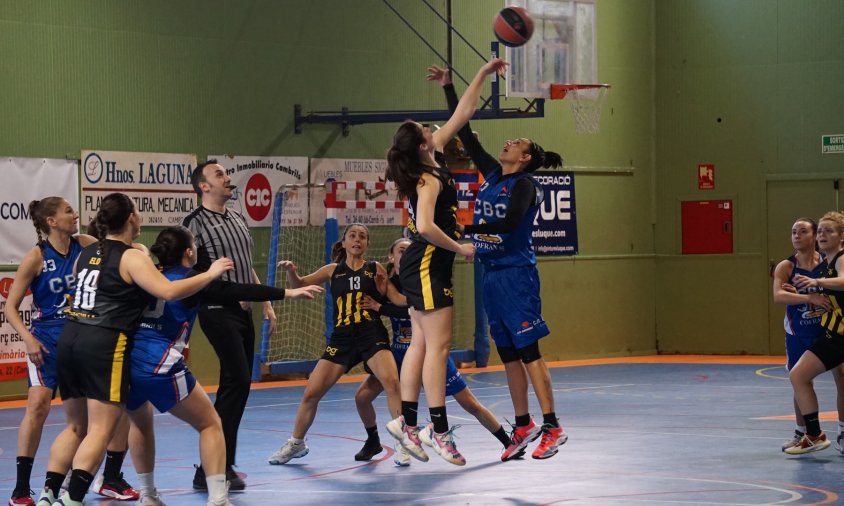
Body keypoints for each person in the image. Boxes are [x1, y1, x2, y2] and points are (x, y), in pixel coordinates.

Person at [35, 193, 232, 506]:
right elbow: (167, 290)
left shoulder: (86, 252)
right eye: (138, 212)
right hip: (102, 343)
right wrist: (209, 274)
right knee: (101, 429)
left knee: (76, 426)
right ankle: (71, 500)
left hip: (70, 338)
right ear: (130, 219)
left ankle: (48, 494)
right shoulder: (131, 256)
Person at [124, 226, 322, 506]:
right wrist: (288, 293)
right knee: (211, 424)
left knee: (141, 424)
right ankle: (218, 498)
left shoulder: (148, 274)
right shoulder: (192, 280)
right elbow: (237, 289)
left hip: (129, 361)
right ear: (189, 252)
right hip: (160, 362)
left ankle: (148, 494)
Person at [429, 62, 567, 460]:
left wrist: (469, 230)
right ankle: (522, 423)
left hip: (516, 276)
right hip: (491, 276)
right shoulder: (493, 174)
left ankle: (552, 426)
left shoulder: (525, 184)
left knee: (530, 354)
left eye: (517, 142)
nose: (508, 143)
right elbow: (465, 132)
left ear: (525, 158)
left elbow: (508, 223)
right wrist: (450, 87)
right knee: (508, 356)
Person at [382, 61, 509, 468]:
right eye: (424, 129)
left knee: (421, 344)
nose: (430, 128)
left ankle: (406, 422)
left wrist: (476, 76)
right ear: (421, 144)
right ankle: (438, 431)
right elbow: (424, 225)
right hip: (428, 262)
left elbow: (463, 113)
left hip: (421, 265)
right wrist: (460, 247)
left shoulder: (429, 156)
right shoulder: (429, 179)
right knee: (438, 347)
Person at [6, 198, 139, 505]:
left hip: (82, 337)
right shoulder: (36, 257)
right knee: (38, 406)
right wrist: (27, 339)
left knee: (108, 411)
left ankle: (110, 477)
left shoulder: (87, 244)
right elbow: (11, 306)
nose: (75, 214)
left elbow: (120, 254)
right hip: (47, 342)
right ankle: (22, 487)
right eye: (68, 210)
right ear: (51, 221)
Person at [355, 238, 513, 466]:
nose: (406, 253)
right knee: (363, 396)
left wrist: (381, 306)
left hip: (430, 353)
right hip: (401, 354)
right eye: (401, 250)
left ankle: (508, 441)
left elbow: (408, 310)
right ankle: (384, 442)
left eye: (410, 250)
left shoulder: (422, 283)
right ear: (391, 257)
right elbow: (387, 304)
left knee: (470, 403)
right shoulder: (387, 284)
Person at [267, 224, 401, 465]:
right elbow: (298, 284)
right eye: (352, 236)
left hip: (371, 333)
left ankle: (404, 442)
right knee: (311, 393)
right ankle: (296, 443)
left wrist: (412, 294)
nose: (357, 240)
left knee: (391, 382)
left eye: (362, 237)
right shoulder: (333, 270)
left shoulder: (375, 269)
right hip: (342, 338)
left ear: (367, 244)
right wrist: (291, 272)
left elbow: (395, 299)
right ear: (344, 243)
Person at [181, 160, 277, 490]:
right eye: (219, 174)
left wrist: (264, 301)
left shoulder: (238, 218)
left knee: (237, 385)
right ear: (203, 186)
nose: (227, 178)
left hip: (243, 311)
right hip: (215, 308)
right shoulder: (192, 224)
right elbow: (188, 271)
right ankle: (213, 467)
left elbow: (244, 266)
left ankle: (218, 464)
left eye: (226, 173)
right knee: (236, 378)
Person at [772, 218, 840, 452]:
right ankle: (802, 432)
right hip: (798, 332)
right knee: (800, 380)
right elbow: (778, 296)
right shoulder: (786, 266)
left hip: (826, 329)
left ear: (814, 237)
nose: (797, 236)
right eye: (793, 232)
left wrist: (816, 291)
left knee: (841, 377)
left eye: (803, 231)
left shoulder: (827, 262)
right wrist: (806, 297)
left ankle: (840, 432)